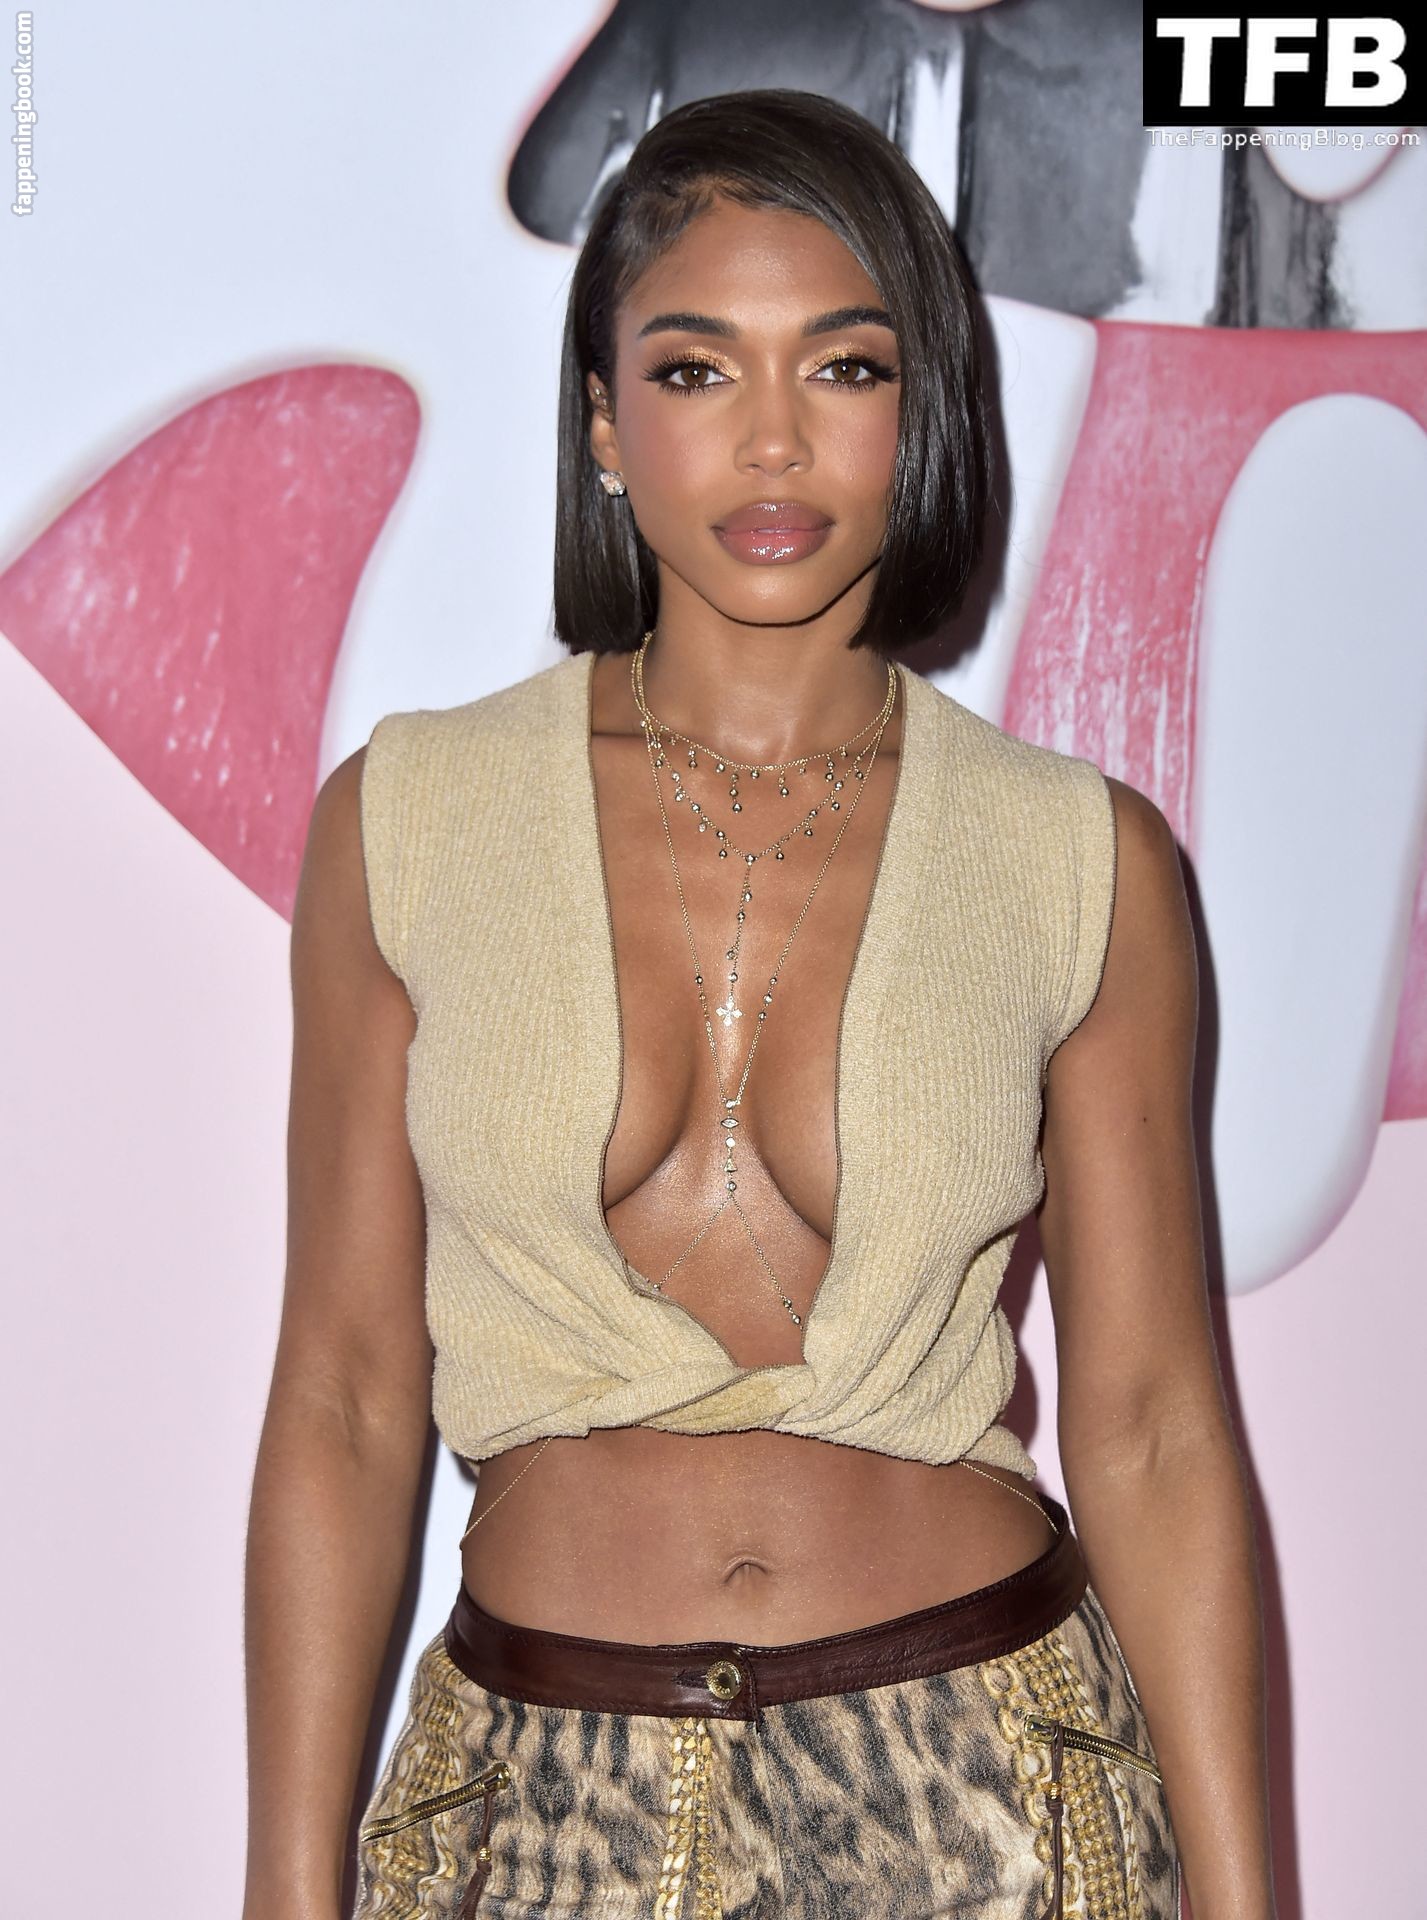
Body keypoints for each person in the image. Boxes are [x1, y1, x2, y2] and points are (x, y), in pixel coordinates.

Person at [242, 90, 1275, 1920]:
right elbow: (343, 1395)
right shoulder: (408, 821)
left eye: (847, 366)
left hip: (992, 1796)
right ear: (604, 421)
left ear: (923, 411)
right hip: (534, 1801)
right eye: (698, 369)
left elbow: (1151, 1429)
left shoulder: (1078, 860)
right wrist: (283, 1883)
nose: (775, 437)